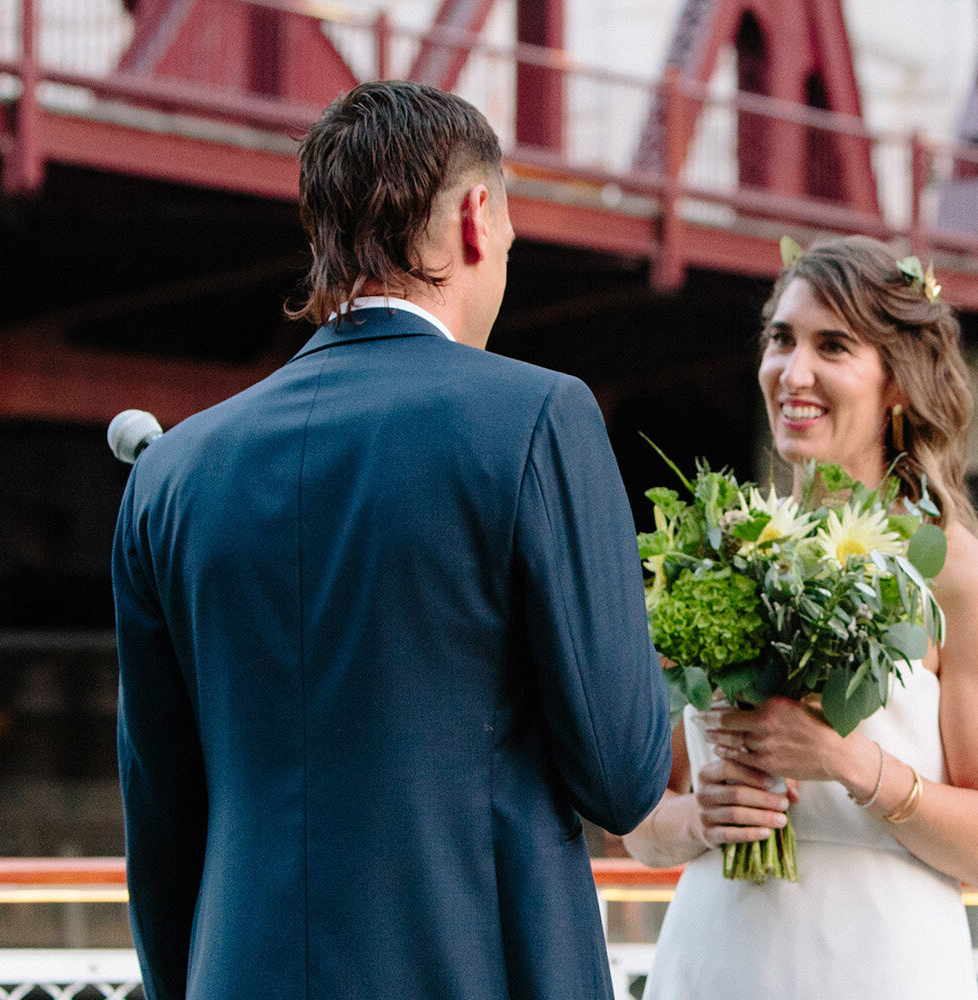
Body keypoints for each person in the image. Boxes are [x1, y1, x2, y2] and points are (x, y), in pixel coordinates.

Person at [111, 80, 672, 1000]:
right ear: (477, 218)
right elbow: (621, 775)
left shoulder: (171, 476)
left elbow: (161, 819)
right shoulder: (537, 417)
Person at [623, 235, 978, 998]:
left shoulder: (964, 581)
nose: (793, 371)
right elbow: (642, 816)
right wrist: (699, 820)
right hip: (716, 958)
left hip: (882, 964)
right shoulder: (706, 563)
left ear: (898, 384)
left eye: (832, 345)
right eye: (780, 339)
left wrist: (849, 763)